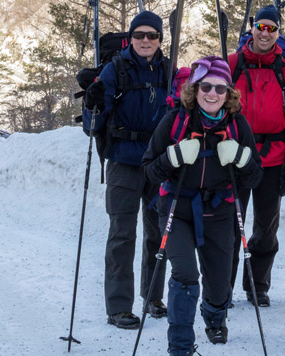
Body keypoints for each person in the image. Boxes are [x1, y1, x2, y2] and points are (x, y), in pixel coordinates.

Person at [142, 56, 263, 355]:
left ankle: (214, 315)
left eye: (220, 88)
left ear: (229, 93)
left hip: (219, 211)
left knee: (220, 283)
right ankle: (180, 347)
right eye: (206, 86)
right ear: (194, 89)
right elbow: (148, 170)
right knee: (185, 276)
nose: (213, 94)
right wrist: (172, 157)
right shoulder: (175, 121)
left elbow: (255, 177)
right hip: (176, 210)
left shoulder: (237, 125)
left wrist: (242, 157)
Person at [82, 11, 171, 329]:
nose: (146, 40)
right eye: (140, 35)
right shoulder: (114, 70)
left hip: (159, 163)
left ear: (160, 39)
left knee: (158, 233)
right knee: (122, 233)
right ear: (130, 38)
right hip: (122, 160)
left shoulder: (169, 70)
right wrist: (91, 104)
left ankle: (153, 297)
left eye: (152, 35)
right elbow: (92, 126)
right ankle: (119, 307)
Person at [227, 4, 285, 307]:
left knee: (265, 227)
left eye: (271, 28)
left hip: (272, 159)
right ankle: (224, 286)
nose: (265, 32)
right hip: (234, 157)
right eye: (261, 26)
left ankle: (257, 285)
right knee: (231, 225)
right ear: (253, 28)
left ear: (277, 32)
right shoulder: (233, 63)